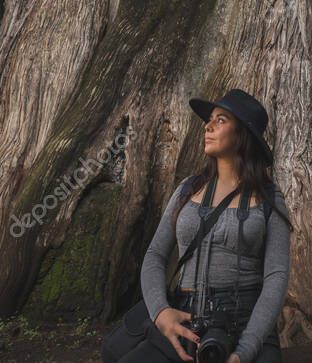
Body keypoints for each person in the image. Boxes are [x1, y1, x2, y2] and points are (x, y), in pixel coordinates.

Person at [107, 88, 293, 363]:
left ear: (242, 134)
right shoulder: (187, 190)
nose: (208, 125)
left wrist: (245, 350)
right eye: (210, 120)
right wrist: (161, 313)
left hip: (245, 322)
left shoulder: (269, 198)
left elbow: (276, 276)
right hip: (185, 317)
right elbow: (155, 255)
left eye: (221, 120)